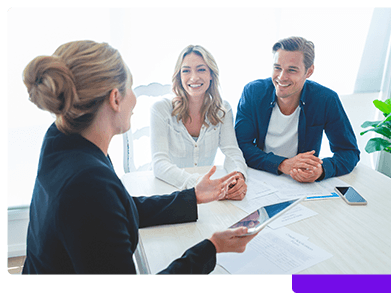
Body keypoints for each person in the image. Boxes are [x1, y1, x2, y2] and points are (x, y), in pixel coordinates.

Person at [21, 40, 256, 275]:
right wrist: (211, 248)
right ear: (115, 99)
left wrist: (192, 197)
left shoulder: (62, 140)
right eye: (131, 88)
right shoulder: (89, 183)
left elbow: (117, 208)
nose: (134, 99)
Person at [235, 36, 360, 183]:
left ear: (309, 71)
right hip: (260, 175)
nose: (281, 77)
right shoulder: (253, 92)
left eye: (292, 70)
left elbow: (349, 152)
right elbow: (240, 146)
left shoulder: (326, 99)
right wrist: (282, 164)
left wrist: (322, 170)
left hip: (301, 183)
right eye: (277, 68)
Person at [150, 45, 247, 200]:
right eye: (186, 70)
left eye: (201, 69)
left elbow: (232, 151)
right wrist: (196, 183)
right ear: (179, 77)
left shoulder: (223, 109)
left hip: (207, 194)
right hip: (169, 190)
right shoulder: (161, 109)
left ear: (211, 75)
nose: (194, 77)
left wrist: (238, 176)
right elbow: (159, 164)